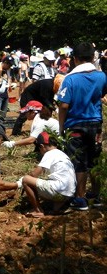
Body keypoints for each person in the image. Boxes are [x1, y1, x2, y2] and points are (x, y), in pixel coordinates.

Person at [57, 42, 107, 210]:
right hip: (95, 124)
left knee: (79, 161)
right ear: (93, 57)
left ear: (75, 59)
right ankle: (97, 195)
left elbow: (63, 105)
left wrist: (61, 127)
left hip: (75, 125)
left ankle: (80, 197)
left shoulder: (69, 79)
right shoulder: (102, 77)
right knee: (94, 159)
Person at [20, 132, 76, 218]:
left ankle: (38, 211)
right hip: (69, 193)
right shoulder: (62, 154)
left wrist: (21, 181)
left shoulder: (49, 153)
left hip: (59, 190)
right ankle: (58, 208)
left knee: (26, 180)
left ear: (42, 146)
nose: (40, 152)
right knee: (49, 183)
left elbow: (34, 174)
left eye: (39, 149)